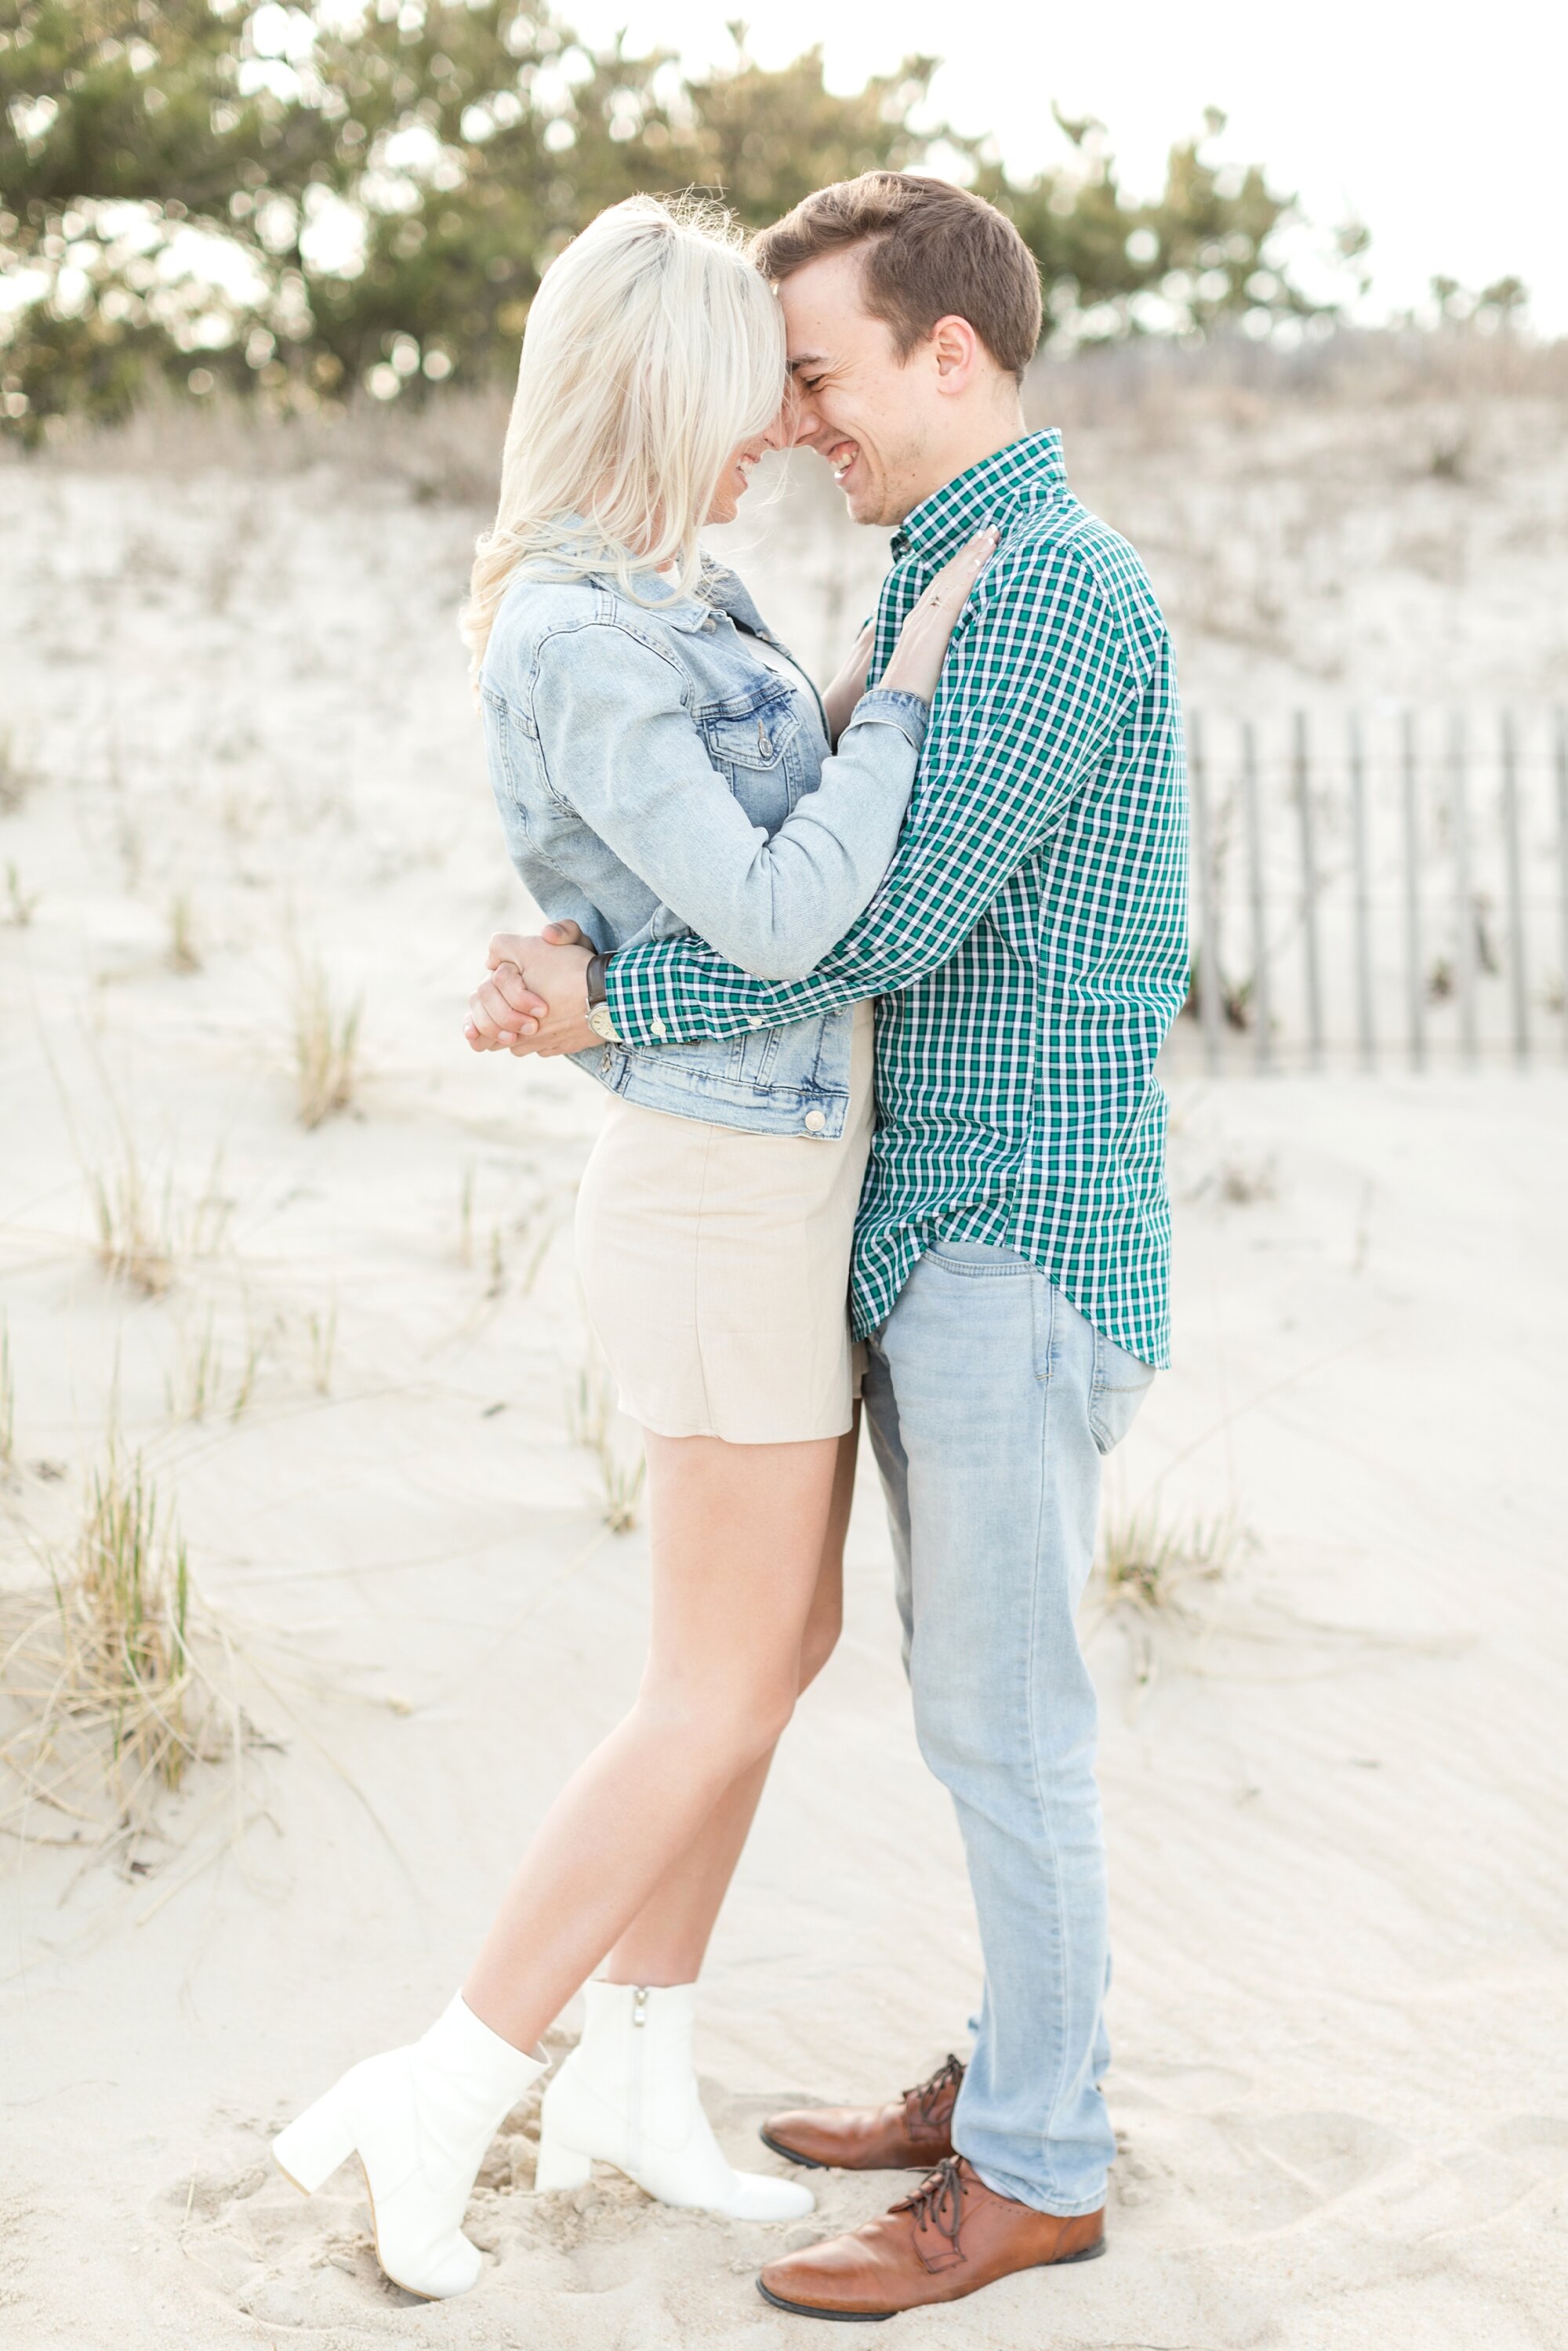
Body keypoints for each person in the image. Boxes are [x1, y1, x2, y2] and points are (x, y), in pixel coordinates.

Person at [268, 194, 992, 2303]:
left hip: (777, 1171)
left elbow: (710, 890)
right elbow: (776, 921)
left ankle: (632, 2074)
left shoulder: (677, 590)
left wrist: (845, 705)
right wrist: (907, 705)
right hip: (709, 1191)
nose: (776, 425)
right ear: (649, 388)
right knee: (706, 1684)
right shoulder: (579, 638)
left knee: (775, 1658)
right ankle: (459, 2072)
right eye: (742, 388)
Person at [485, 171, 1189, 2324]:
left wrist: (610, 1003)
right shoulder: (938, 566)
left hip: (1013, 1234)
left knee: (1004, 1721)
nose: (794, 422)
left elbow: (863, 925)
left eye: (820, 372)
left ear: (947, 354)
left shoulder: (1049, 594)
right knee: (972, 1699)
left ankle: (1043, 2166)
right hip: (919, 1231)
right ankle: (1015, 2081)